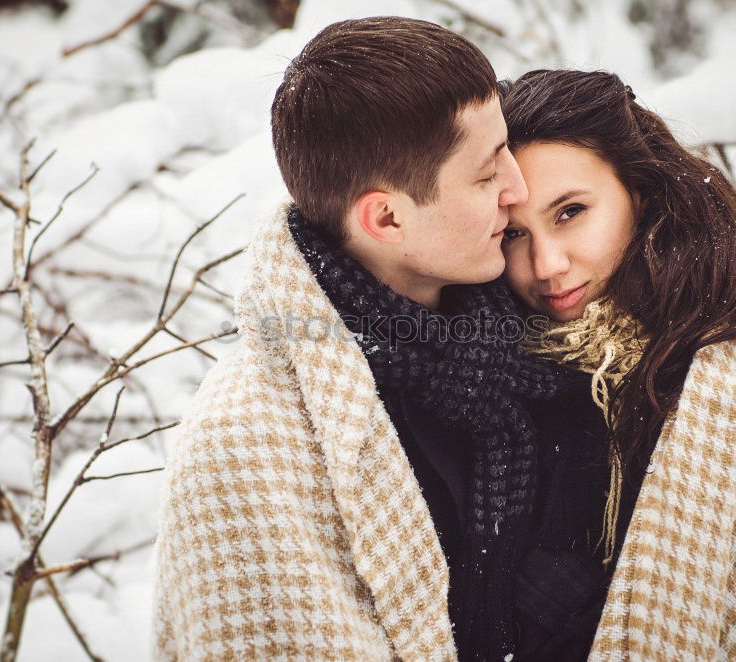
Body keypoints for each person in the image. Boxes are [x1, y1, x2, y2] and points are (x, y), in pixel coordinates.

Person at [152, 17, 608, 661]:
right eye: (485, 175)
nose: (518, 186)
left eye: (506, 149)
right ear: (387, 217)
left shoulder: (545, 328)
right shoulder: (246, 444)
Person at [498, 68, 736, 660]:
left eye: (570, 212)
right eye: (513, 234)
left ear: (640, 193)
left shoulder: (726, 368)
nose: (546, 264)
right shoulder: (478, 362)